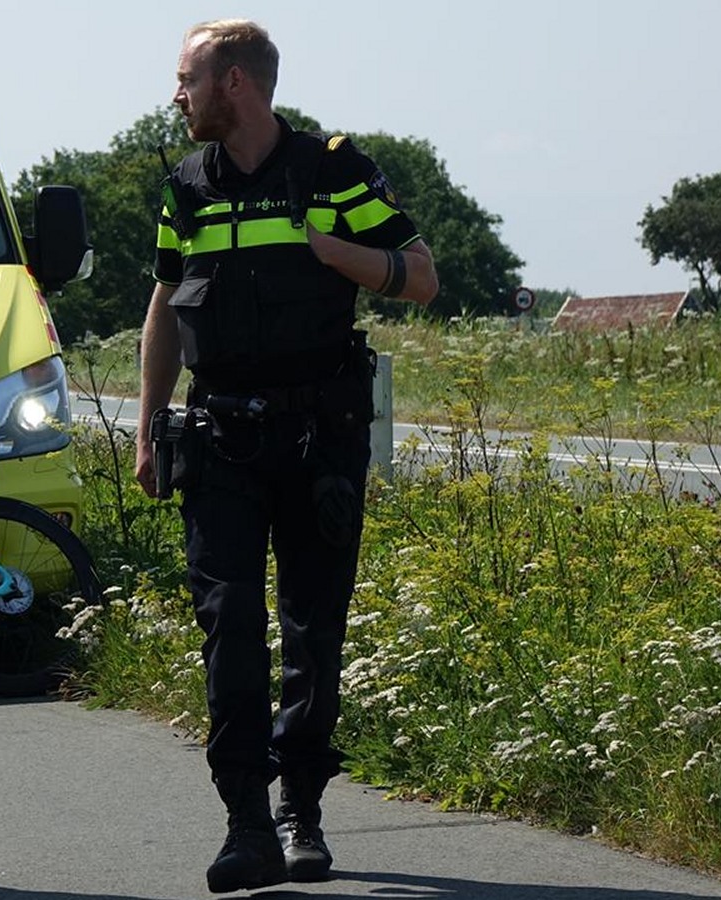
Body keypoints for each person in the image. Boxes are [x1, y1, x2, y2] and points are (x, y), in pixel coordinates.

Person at [135, 19, 439, 894]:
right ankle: (245, 823)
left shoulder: (332, 169)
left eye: (187, 77)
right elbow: (164, 304)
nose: (177, 94)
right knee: (227, 626)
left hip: (318, 440)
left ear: (235, 81)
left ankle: (300, 810)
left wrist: (329, 249)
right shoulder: (188, 184)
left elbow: (420, 275)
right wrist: (153, 427)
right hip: (218, 437)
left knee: (312, 628)